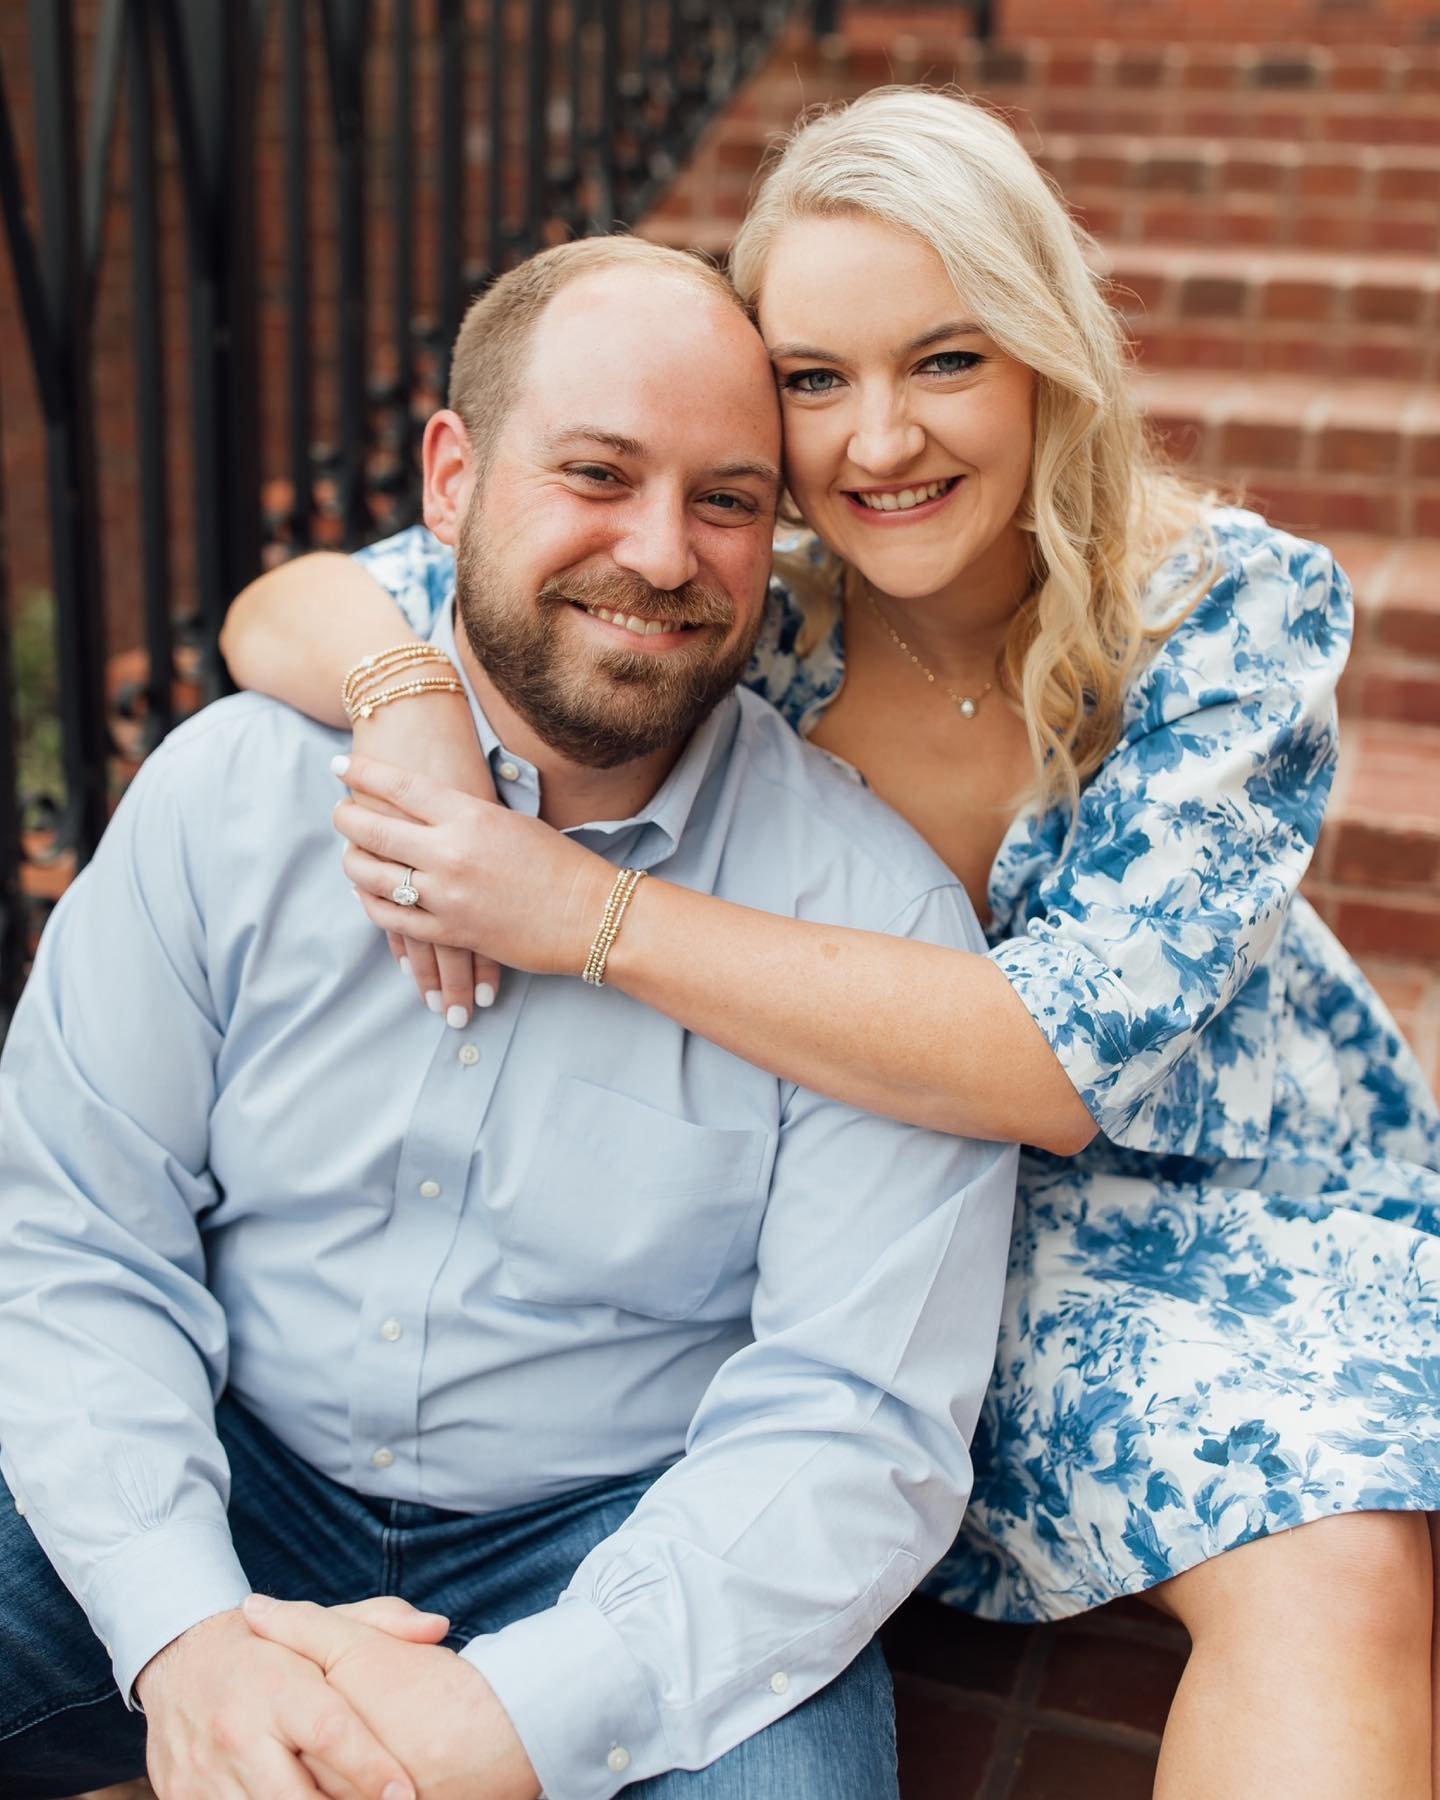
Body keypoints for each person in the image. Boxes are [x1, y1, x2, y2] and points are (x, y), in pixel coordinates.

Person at [223, 87, 1440, 1800]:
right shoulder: (740, 607)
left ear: (1044, 361)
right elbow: (285, 603)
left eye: (944, 360)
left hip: (1232, 1201)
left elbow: (1056, 1063)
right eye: (814, 380)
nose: (877, 443)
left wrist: (594, 915)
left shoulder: (1220, 614)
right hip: (880, 1220)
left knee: (1349, 1552)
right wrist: (408, 696)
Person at [0, 235, 1020, 1800]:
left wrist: (518, 1714)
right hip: (229, 1455)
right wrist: (188, 1633)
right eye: (598, 474)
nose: (665, 553)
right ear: (454, 478)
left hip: (629, 1529)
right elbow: (73, 1237)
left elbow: (851, 1422)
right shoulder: (234, 795)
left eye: (729, 501)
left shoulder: (866, 917)